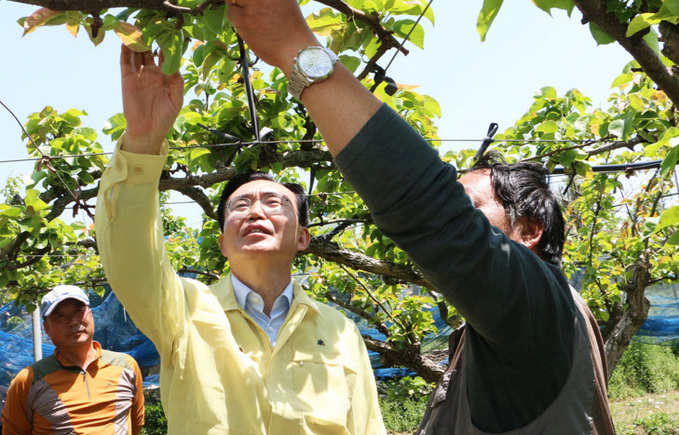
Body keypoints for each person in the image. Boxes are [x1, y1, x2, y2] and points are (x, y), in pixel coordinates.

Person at [225, 1, 616, 433]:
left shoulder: (534, 305)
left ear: (527, 231)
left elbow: (429, 208)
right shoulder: (505, 329)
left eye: (469, 210)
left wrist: (294, 47)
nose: (458, 222)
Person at [94, 47, 385, 434]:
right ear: (222, 243)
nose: (255, 211)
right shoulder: (183, 311)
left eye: (274, 202)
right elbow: (130, 257)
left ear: (302, 238)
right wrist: (143, 142)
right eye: (240, 205)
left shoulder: (339, 329)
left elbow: (366, 424)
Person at [1, 285, 145, 434]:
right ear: (47, 328)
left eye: (78, 311)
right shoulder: (28, 380)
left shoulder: (126, 366)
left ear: (91, 314)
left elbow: (135, 424)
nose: (73, 322)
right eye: (60, 316)